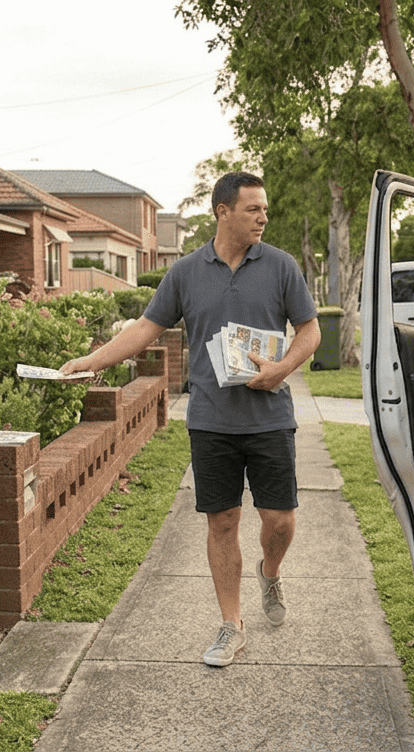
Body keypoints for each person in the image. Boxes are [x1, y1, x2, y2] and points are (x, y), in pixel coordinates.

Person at [59, 171, 320, 667]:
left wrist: (284, 367)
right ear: (223, 211)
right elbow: (145, 328)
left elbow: (309, 330)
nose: (263, 217)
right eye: (253, 210)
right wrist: (91, 362)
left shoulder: (282, 267)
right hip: (210, 420)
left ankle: (270, 569)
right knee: (221, 522)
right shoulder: (185, 272)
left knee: (280, 520)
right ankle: (231, 625)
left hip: (269, 418)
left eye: (264, 209)